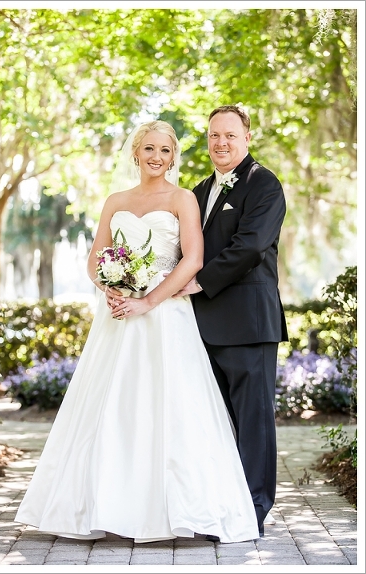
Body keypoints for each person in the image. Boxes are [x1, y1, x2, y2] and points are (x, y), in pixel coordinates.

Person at [14, 120, 259, 543]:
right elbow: (95, 258)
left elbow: (192, 260)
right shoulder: (117, 200)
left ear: (174, 156)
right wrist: (112, 287)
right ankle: (105, 506)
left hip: (166, 315)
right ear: (135, 152)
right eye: (149, 149)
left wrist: (148, 299)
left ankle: (176, 511)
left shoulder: (184, 199)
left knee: (169, 406)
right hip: (118, 315)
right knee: (113, 405)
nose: (157, 157)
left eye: (165, 150)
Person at [174, 105, 287, 538]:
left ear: (247, 138)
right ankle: (220, 505)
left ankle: (254, 510)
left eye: (229, 135)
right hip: (201, 326)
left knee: (253, 420)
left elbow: (251, 246)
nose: (220, 143)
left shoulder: (264, 183)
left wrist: (199, 283)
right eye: (213, 136)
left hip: (248, 324)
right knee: (215, 421)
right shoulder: (198, 190)